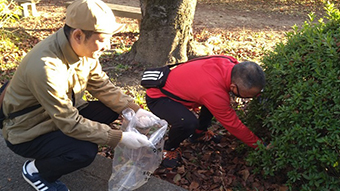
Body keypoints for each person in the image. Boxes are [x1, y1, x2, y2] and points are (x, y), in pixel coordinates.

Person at [0, 0, 159, 190]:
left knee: (110, 109)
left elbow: (101, 84)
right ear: (78, 35)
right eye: (103, 39)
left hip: (55, 115)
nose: (108, 46)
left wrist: (135, 110)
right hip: (27, 131)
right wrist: (119, 138)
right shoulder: (46, 67)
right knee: (84, 151)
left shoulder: (81, 50)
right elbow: (70, 122)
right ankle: (36, 170)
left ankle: (61, 150)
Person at [145, 55, 266, 169]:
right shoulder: (214, 94)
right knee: (187, 123)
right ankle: (169, 148)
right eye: (249, 96)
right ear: (234, 87)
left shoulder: (229, 61)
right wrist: (260, 146)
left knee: (214, 104)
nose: (252, 98)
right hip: (158, 98)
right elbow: (234, 125)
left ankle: (199, 133)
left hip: (181, 88)